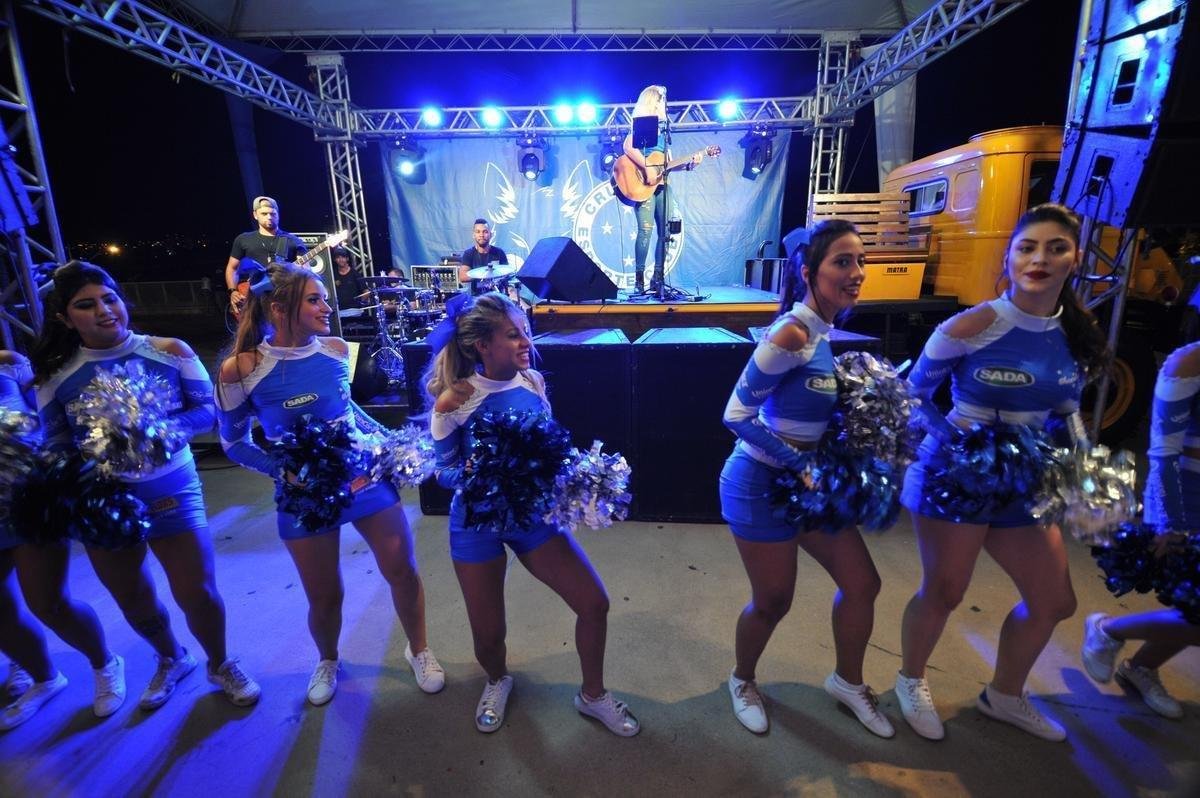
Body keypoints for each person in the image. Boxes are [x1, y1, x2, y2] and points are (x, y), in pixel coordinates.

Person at [897, 203, 1109, 742]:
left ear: (1074, 259)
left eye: (1055, 248)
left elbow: (1066, 412)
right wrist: (957, 444)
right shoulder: (972, 325)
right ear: (1009, 256)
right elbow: (911, 397)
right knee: (945, 591)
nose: (1040, 258)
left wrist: (1085, 467)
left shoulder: (1077, 335)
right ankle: (909, 680)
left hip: (1025, 480)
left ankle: (1005, 695)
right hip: (955, 478)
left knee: (1055, 600)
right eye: (1027, 247)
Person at [31, 261, 261, 712]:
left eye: (110, 298)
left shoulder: (169, 349)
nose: (103, 311)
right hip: (104, 501)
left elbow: (206, 411)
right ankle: (171, 657)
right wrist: (87, 461)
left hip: (171, 487)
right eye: (86, 305)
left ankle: (220, 661)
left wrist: (154, 430)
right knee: (132, 595)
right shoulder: (56, 377)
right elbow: (55, 443)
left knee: (198, 591)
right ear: (64, 317)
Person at [215, 262, 443, 706]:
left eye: (324, 298)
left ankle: (419, 649)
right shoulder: (240, 369)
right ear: (280, 308)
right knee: (325, 595)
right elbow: (233, 443)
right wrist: (282, 470)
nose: (327, 307)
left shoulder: (337, 349)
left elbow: (348, 412)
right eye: (314, 299)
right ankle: (328, 659)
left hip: (364, 480)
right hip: (303, 496)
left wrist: (391, 443)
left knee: (402, 569)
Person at [426, 292, 639, 736]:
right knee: (488, 636)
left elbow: (549, 449)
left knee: (593, 603)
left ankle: (593, 696)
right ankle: (497, 679)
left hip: (531, 520)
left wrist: (572, 476)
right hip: (476, 524)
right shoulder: (455, 400)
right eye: (512, 334)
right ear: (482, 346)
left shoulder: (533, 383)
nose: (526, 341)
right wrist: (481, 475)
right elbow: (441, 470)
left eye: (525, 330)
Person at [719, 220, 892, 738]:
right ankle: (742, 679)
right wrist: (801, 464)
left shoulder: (823, 331)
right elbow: (735, 414)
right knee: (774, 600)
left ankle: (848, 681)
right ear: (808, 270)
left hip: (810, 486)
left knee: (863, 583)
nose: (856, 272)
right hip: (758, 483)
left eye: (860, 260)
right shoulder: (792, 332)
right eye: (842, 261)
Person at [1080, 338, 1200, 719]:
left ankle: (1141, 667)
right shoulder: (1189, 361)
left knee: (1194, 605)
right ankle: (1110, 630)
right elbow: (1163, 451)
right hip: (1192, 495)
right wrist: (1168, 519)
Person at [622, 85, 701, 296]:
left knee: (666, 232)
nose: (664, 103)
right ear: (653, 101)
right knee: (645, 230)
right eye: (661, 100)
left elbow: (668, 163)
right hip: (644, 183)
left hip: (663, 184)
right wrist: (647, 167)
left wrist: (689, 164)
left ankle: (658, 279)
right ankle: (639, 282)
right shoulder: (644, 123)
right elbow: (628, 147)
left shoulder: (666, 129)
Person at [224, 196, 307, 316]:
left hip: (283, 298)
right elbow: (232, 268)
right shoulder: (243, 239)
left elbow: (305, 270)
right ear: (255, 215)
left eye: (273, 214)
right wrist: (232, 291)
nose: (269, 217)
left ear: (278, 214)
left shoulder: (293, 240)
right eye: (264, 213)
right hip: (252, 299)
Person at [458, 219, 508, 289]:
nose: (481, 235)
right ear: (474, 235)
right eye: (478, 232)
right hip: (476, 297)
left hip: (497, 295)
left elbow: (507, 274)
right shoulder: (468, 254)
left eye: (485, 232)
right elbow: (462, 277)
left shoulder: (499, 252)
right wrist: (483, 274)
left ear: (491, 235)